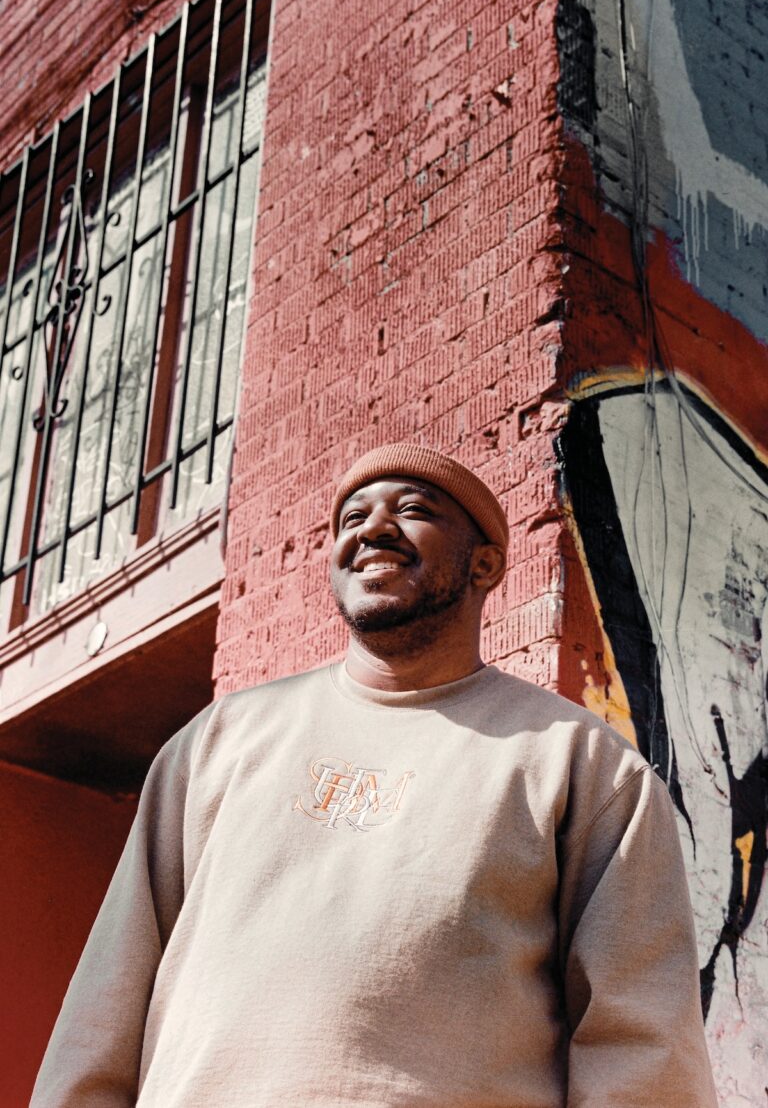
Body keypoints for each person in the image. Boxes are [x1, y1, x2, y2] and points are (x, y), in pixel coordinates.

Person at [33, 442, 718, 1107]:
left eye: (412, 509)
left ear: (484, 565)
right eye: (352, 518)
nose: (373, 530)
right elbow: (104, 1006)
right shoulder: (218, 741)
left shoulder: (583, 767)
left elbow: (642, 1050)